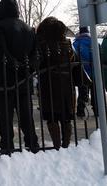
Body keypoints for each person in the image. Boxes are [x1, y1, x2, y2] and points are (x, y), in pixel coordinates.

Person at [0, 0, 39, 154]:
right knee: (26, 116)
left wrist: (14, 65)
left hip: (4, 79)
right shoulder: (28, 28)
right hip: (24, 79)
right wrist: (27, 67)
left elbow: (0, 52)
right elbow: (35, 54)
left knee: (5, 118)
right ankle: (32, 145)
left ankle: (7, 147)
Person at [36, 17, 76, 149]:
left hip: (49, 85)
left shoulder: (42, 44)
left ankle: (57, 145)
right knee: (66, 116)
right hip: (66, 84)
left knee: (52, 116)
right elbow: (74, 62)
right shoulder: (67, 44)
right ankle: (66, 144)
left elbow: (38, 63)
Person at [73, 26, 97, 117]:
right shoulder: (93, 42)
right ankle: (97, 110)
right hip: (93, 70)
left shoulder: (76, 43)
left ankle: (80, 110)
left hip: (82, 71)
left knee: (82, 91)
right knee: (94, 92)